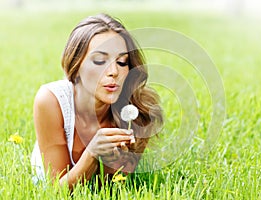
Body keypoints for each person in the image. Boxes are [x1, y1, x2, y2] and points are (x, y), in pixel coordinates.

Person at [31, 13, 163, 189]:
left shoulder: (138, 114)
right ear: (76, 65)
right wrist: (92, 154)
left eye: (122, 62)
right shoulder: (51, 100)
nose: (114, 72)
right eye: (100, 60)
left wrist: (113, 166)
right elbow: (54, 190)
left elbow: (109, 188)